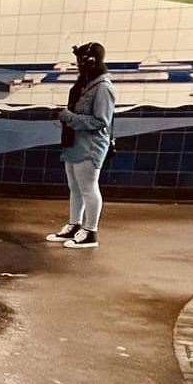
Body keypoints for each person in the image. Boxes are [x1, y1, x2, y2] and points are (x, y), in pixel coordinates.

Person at [45, 42, 116, 249]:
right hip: (74, 142)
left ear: (91, 60)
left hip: (90, 145)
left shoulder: (103, 88)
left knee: (88, 188)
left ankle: (90, 231)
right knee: (75, 188)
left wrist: (69, 117)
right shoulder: (86, 84)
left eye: (81, 61)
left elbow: (101, 121)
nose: (79, 65)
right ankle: (75, 225)